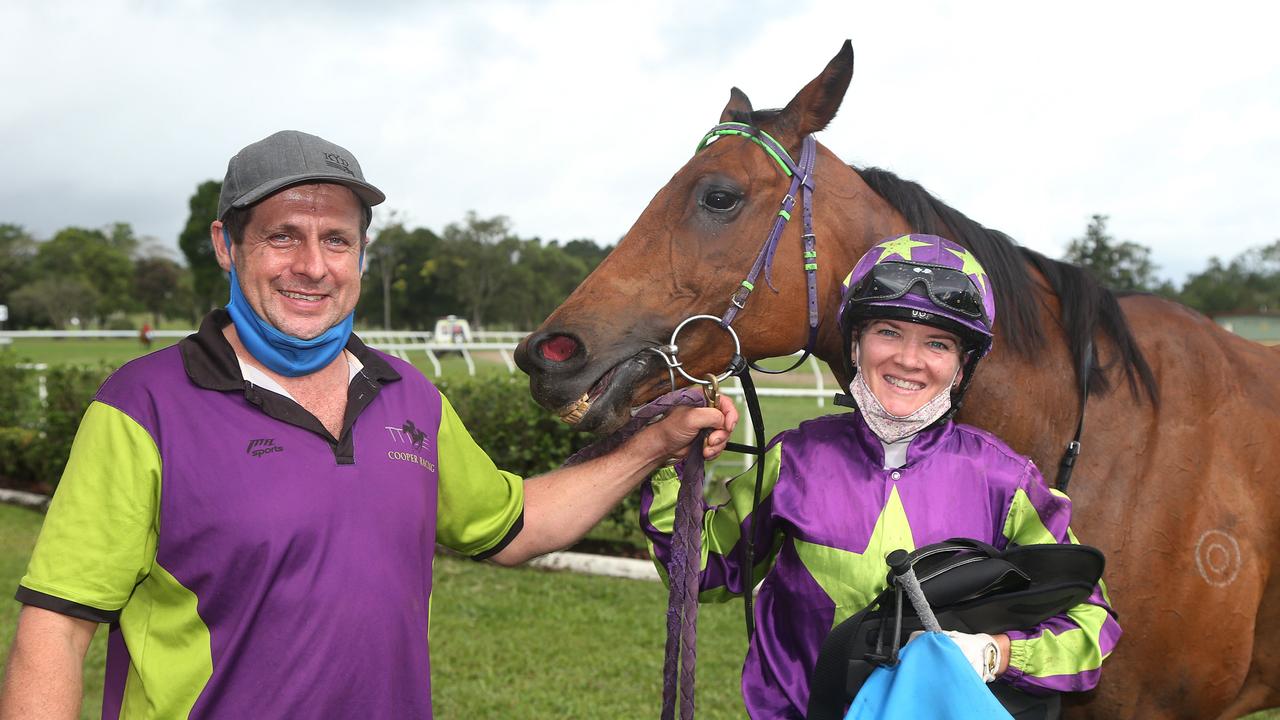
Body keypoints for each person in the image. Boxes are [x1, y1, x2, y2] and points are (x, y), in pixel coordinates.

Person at [0, 130, 736, 719]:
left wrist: (654, 442)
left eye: (337, 240)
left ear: (361, 253)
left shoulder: (407, 395)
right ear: (227, 245)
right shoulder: (142, 406)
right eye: (283, 236)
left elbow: (517, 525)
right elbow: (57, 629)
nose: (313, 266)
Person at [641, 234, 1121, 718]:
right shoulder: (794, 458)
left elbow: (1090, 624)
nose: (909, 360)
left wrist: (997, 653)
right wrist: (668, 464)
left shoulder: (1007, 481)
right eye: (888, 332)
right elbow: (701, 573)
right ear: (855, 344)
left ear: (961, 368)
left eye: (938, 343)